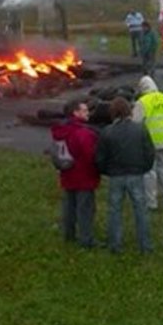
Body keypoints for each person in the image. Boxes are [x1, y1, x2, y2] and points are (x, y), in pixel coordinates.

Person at [97, 97, 155, 254]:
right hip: (136, 173)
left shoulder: (107, 132)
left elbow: (100, 157)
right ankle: (145, 245)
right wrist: (144, 168)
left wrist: (107, 171)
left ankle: (115, 245)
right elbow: (149, 152)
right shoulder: (140, 129)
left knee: (114, 210)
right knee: (141, 210)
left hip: (116, 175)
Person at [50, 99, 100, 249]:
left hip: (67, 174)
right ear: (75, 112)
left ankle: (69, 235)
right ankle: (86, 239)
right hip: (84, 176)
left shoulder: (61, 130)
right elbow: (90, 155)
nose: (88, 113)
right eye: (84, 111)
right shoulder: (83, 133)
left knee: (69, 207)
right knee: (85, 209)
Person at [133, 76, 163, 211]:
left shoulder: (142, 102)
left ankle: (152, 202)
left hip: (149, 142)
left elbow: (135, 122)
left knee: (150, 172)